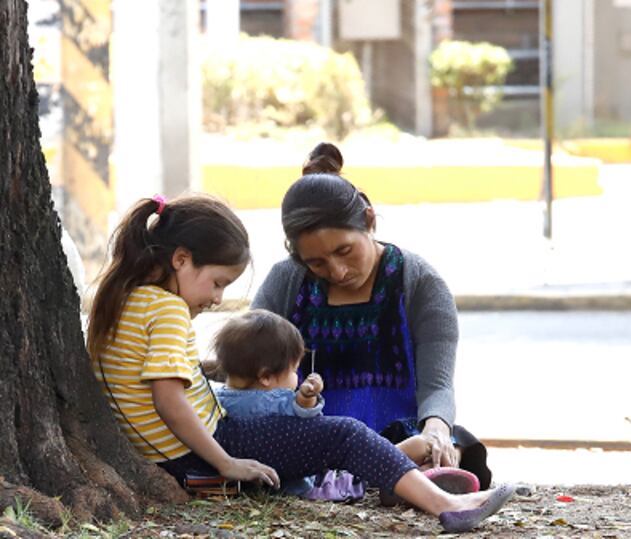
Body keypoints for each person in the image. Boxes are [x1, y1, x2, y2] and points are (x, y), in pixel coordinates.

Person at [86, 193, 512, 533]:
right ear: (180, 259)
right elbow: (168, 399)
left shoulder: (125, 300)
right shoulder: (168, 310)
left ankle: (403, 479)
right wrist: (225, 462)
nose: (217, 299)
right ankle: (445, 504)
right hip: (205, 449)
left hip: (181, 450)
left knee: (337, 435)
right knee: (344, 434)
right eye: (217, 283)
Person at [252, 142, 492, 490]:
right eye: (316, 263)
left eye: (345, 251)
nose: (337, 271)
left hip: (398, 434)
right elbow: (248, 367)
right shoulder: (286, 281)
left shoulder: (419, 282)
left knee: (451, 443)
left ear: (369, 220)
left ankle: (405, 472)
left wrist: (437, 428)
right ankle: (394, 478)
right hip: (314, 440)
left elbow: (437, 385)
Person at [213, 309, 442, 501]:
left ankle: (413, 471)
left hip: (287, 475)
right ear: (265, 377)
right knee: (371, 467)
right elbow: (306, 421)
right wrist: (307, 396)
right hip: (313, 483)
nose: (296, 377)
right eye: (294, 371)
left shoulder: (216, 398)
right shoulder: (274, 400)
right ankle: (409, 468)